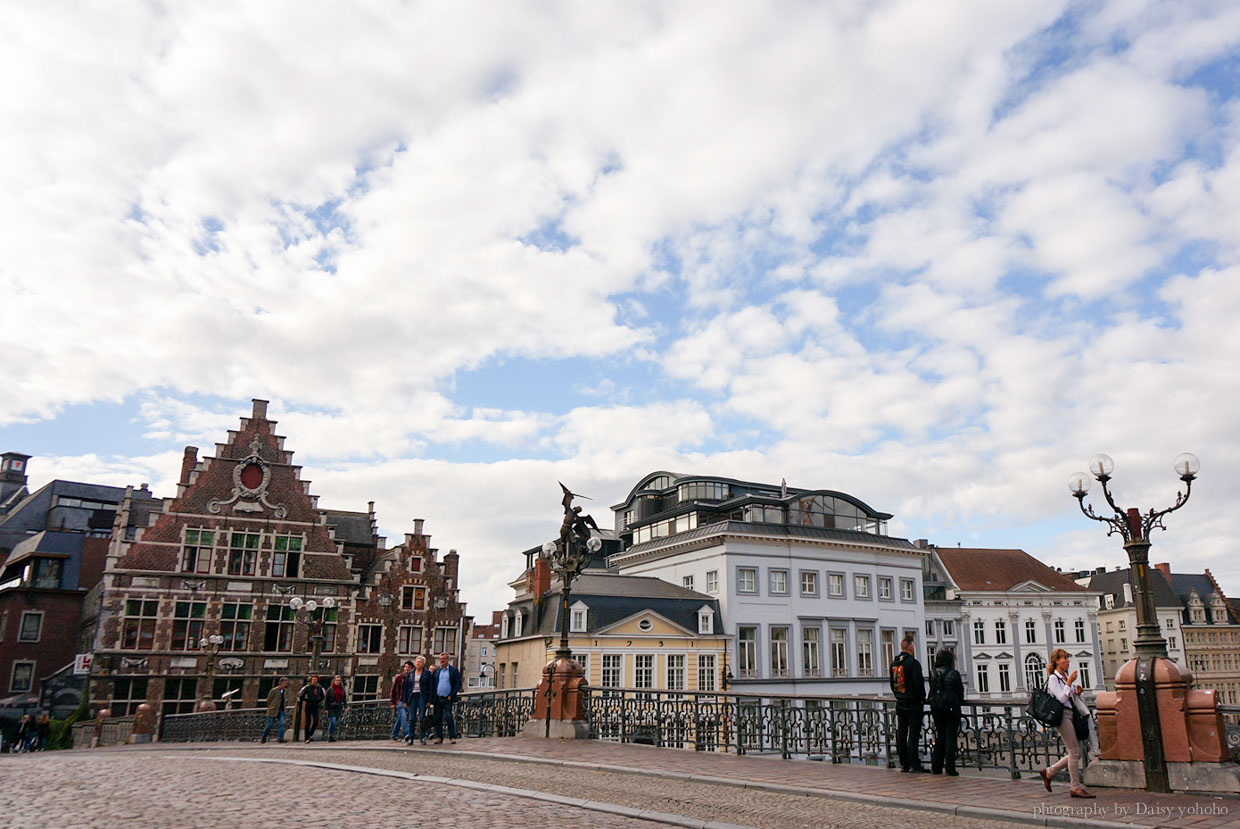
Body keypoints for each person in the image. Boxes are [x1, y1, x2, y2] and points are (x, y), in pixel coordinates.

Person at [1040, 649, 1095, 798]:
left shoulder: (1064, 676)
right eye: (1064, 658)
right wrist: (1069, 682)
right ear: (1057, 661)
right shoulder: (1053, 678)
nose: (1068, 661)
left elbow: (1069, 697)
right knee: (1074, 752)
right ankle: (1075, 787)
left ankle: (1049, 772)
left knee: (1074, 752)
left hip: (1072, 714)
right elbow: (1060, 698)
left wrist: (1076, 691)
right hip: (1062, 716)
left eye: (1068, 658)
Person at [889, 631, 926, 772]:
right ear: (910, 648)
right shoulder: (913, 663)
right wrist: (921, 699)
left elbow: (892, 684)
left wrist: (899, 695)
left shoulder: (895, 663)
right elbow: (919, 684)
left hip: (900, 702)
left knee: (902, 732)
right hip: (913, 704)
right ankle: (914, 763)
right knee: (914, 734)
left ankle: (903, 762)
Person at [928, 648, 964, 776]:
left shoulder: (933, 673)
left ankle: (936, 766)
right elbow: (960, 693)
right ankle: (950, 768)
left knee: (940, 736)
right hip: (951, 709)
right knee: (950, 738)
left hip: (936, 708)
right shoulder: (954, 673)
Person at [431, 651, 462, 744]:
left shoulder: (453, 670)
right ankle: (439, 737)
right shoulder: (436, 671)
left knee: (449, 716)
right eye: (440, 659)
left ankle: (452, 736)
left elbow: (457, 684)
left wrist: (452, 695)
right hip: (438, 698)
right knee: (437, 718)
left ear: (448, 660)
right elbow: (433, 684)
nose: (442, 661)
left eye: (444, 659)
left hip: (448, 698)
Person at [403, 656, 434, 745]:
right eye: (417, 662)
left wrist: (429, 700)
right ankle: (411, 737)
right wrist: (404, 700)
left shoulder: (427, 673)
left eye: (420, 662)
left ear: (423, 663)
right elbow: (405, 687)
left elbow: (430, 687)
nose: (418, 663)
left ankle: (422, 737)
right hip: (412, 696)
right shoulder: (410, 673)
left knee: (421, 718)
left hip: (422, 696)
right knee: (412, 718)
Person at [389, 660, 413, 742]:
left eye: (409, 667)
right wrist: (392, 702)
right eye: (406, 667)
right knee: (404, 716)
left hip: (408, 701)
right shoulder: (398, 677)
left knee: (400, 718)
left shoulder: (411, 678)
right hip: (399, 700)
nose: (407, 669)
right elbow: (393, 690)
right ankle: (406, 734)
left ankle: (394, 734)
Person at [298, 674, 326, 742]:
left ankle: (310, 734)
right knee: (308, 721)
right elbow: (301, 696)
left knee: (315, 721)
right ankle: (306, 737)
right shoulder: (308, 688)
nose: (314, 681)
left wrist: (318, 700)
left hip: (315, 705)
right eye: (313, 679)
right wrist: (308, 700)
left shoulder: (319, 688)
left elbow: (322, 696)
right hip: (309, 705)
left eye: (315, 679)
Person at [261, 677, 289, 743]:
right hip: (273, 710)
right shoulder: (274, 690)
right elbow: (269, 700)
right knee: (269, 724)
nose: (286, 685)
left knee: (281, 724)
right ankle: (264, 736)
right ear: (281, 683)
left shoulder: (285, 691)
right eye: (285, 683)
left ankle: (280, 738)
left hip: (281, 710)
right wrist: (271, 706)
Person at [325, 675, 348, 742]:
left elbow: (344, 699)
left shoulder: (342, 690)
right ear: (334, 681)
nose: (338, 682)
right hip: (331, 708)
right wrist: (326, 708)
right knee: (333, 721)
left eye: (339, 681)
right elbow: (327, 700)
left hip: (338, 707)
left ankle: (331, 735)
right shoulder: (330, 689)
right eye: (336, 680)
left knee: (336, 722)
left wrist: (346, 707)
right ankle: (330, 735)